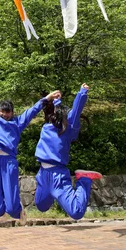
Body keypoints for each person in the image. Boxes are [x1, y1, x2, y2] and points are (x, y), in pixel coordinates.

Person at [0, 77, 60, 224]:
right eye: (3, 112)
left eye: (8, 112)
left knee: (12, 209)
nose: (5, 115)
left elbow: (32, 111)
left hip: (9, 161)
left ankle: (18, 208)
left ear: (12, 113)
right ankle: (4, 211)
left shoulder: (17, 122)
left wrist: (47, 98)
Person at [34, 83, 102, 220]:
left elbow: (76, 110)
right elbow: (51, 108)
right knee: (41, 206)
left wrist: (82, 92)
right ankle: (53, 194)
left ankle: (84, 180)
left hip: (58, 175)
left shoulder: (67, 128)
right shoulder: (47, 126)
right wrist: (55, 98)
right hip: (43, 173)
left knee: (76, 212)